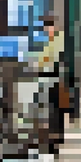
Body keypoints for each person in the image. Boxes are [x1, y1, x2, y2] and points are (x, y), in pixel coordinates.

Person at [33, 15, 68, 152]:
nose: (46, 30)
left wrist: (41, 63)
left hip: (56, 78)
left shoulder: (60, 40)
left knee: (54, 110)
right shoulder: (52, 41)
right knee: (53, 110)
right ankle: (55, 137)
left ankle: (55, 138)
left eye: (48, 27)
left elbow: (51, 59)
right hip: (50, 78)